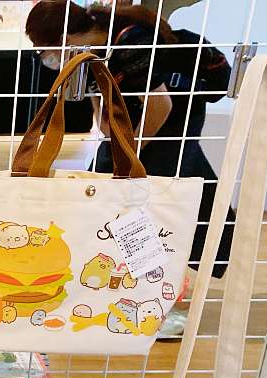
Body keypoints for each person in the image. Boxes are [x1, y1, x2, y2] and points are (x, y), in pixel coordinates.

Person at [25, 1, 234, 280]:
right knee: (110, 180)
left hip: (176, 112)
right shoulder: (87, 53)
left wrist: (129, 151)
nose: (46, 58)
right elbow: (102, 111)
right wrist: (114, 141)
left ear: (63, 39)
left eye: (43, 50)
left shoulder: (132, 43)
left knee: (153, 190)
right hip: (139, 111)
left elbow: (160, 105)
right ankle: (144, 271)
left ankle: (150, 277)